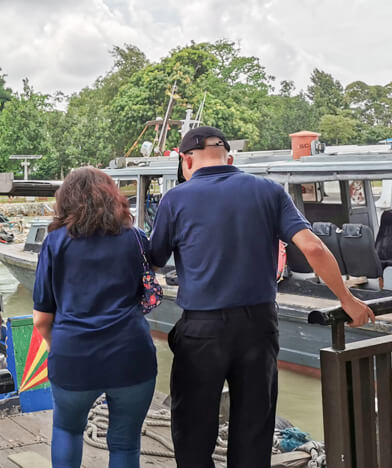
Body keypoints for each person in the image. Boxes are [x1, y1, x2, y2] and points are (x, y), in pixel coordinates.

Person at [150, 126, 374, 468]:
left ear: (186, 160)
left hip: (202, 330)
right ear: (230, 157)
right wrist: (347, 299)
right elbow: (312, 246)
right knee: (254, 428)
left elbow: (153, 257)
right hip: (259, 326)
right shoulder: (268, 191)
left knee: (193, 431)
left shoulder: (175, 199)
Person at [32, 167, 158, 468]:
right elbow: (148, 291)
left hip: (73, 354)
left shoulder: (54, 242)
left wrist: (58, 346)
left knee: (67, 429)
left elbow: (41, 319)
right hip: (131, 354)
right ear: (113, 197)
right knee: (126, 444)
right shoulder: (135, 237)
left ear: (66, 200)